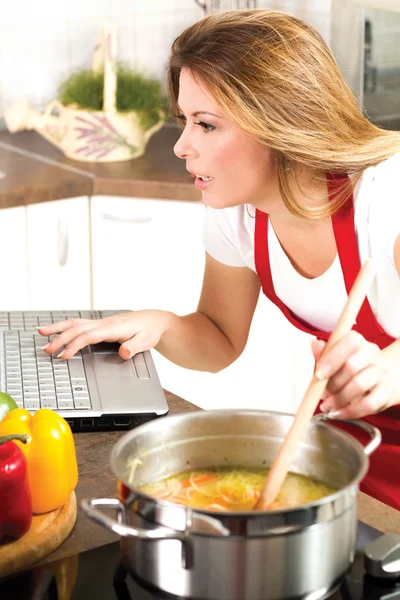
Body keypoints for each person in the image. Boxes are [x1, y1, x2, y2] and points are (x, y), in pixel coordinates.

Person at [39, 10, 400, 510]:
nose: (182, 146)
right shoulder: (239, 216)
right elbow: (220, 339)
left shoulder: (385, 198)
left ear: (281, 121)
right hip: (353, 441)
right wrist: (159, 325)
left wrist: (387, 372)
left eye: (206, 125)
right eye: (185, 121)